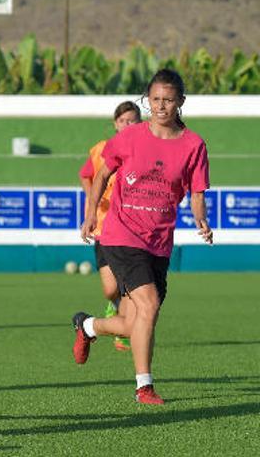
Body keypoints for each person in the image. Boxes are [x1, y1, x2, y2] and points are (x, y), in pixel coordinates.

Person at [75, 68, 212, 405]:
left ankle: (88, 326)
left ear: (180, 101)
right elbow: (102, 173)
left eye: (168, 100)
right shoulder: (130, 136)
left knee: (135, 321)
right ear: (147, 101)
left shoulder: (194, 145)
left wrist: (202, 220)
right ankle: (144, 386)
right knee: (148, 304)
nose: (161, 106)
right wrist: (91, 214)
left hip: (159, 241)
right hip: (121, 234)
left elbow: (197, 191)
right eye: (155, 100)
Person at [78, 101, 142, 352]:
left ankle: (122, 332)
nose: (128, 124)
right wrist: (92, 200)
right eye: (123, 120)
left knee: (128, 285)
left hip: (130, 228)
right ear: (116, 124)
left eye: (133, 119)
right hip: (104, 227)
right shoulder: (100, 150)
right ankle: (114, 309)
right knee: (110, 289)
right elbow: (86, 175)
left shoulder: (142, 149)